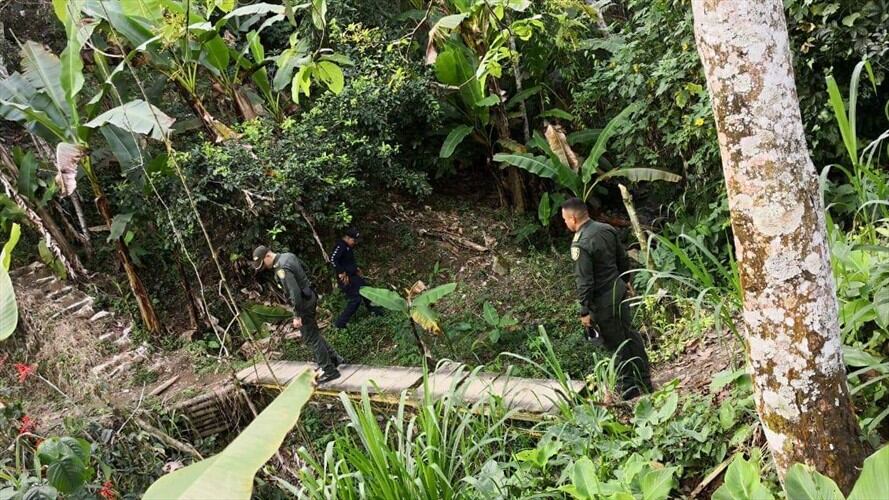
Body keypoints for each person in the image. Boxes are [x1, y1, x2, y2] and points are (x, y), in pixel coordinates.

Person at [560, 197, 653, 399]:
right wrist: (625, 281)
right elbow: (622, 257)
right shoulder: (606, 229)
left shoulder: (580, 244)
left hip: (603, 302)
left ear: (573, 218)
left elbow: (585, 281)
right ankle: (645, 381)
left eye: (565, 219)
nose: (565, 223)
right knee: (631, 336)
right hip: (619, 292)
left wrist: (584, 310)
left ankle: (628, 390)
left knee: (615, 344)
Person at [252, 245, 343, 383]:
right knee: (313, 333)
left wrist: (297, 315)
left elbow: (294, 293)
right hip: (309, 295)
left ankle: (330, 371)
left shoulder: (281, 269)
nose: (264, 267)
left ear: (268, 256)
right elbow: (305, 269)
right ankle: (335, 359)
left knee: (311, 337)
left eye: (263, 264)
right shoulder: (288, 255)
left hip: (303, 304)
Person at [329, 227, 382, 328]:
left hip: (354, 275)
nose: (355, 242)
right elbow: (332, 259)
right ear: (347, 238)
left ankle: (375, 311)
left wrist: (356, 269)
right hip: (347, 279)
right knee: (355, 299)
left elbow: (348, 261)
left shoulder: (348, 247)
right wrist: (341, 272)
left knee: (366, 291)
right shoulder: (340, 246)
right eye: (353, 240)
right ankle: (340, 323)